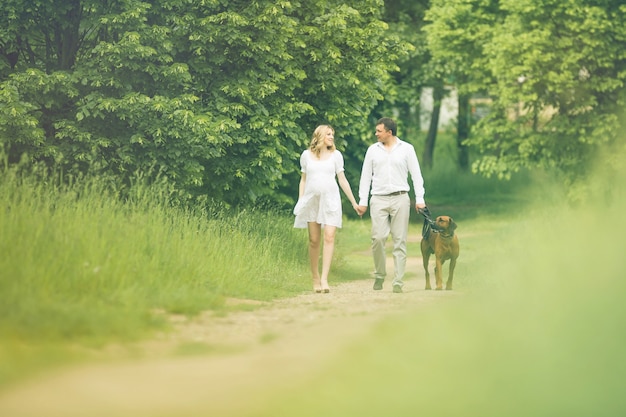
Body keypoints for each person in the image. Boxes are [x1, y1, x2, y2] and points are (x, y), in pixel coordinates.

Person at [357, 117, 426, 293]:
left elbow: (416, 175)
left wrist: (419, 199)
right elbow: (365, 177)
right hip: (378, 198)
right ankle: (380, 274)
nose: (376, 134)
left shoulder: (407, 149)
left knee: (399, 240)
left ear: (389, 132)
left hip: (400, 198)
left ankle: (398, 281)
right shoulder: (372, 150)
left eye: (379, 131)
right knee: (378, 238)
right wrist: (362, 201)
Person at [294, 125, 360, 293]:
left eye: (333, 134)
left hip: (330, 200)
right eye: (328, 134)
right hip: (312, 201)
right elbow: (303, 179)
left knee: (329, 237)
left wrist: (354, 202)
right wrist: (301, 201)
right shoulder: (306, 156)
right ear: (319, 136)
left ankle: (324, 279)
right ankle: (315, 277)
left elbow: (342, 180)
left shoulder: (336, 156)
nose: (332, 137)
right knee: (314, 240)